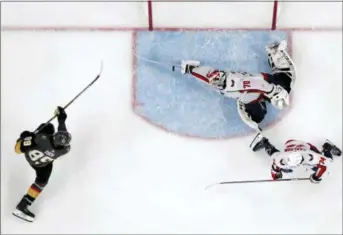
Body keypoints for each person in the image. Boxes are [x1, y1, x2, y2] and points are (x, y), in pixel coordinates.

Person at [180, 40, 296, 132]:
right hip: (249, 93)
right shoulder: (234, 87)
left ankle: (274, 53)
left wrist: (190, 69)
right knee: (259, 115)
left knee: (285, 83)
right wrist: (190, 69)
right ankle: (274, 52)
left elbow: (258, 86)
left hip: (254, 88)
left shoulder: (254, 89)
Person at [12, 106, 72, 222]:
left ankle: (24, 140)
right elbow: (62, 134)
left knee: (48, 126)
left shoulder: (41, 138)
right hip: (42, 165)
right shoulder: (65, 150)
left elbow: (17, 150)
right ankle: (23, 205)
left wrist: (24, 139)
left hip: (29, 155)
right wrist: (61, 119)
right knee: (42, 181)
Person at [250, 133, 341, 183]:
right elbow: (274, 168)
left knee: (326, 161)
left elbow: (325, 165)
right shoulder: (281, 160)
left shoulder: (311, 157)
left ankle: (327, 148)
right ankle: (264, 142)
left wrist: (316, 176)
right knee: (284, 167)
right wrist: (276, 174)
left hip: (306, 147)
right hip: (290, 146)